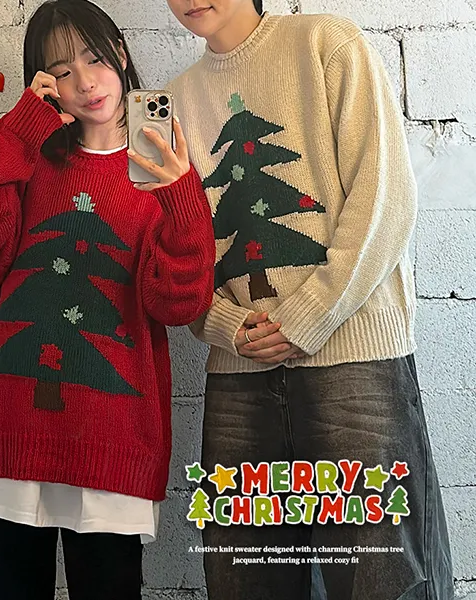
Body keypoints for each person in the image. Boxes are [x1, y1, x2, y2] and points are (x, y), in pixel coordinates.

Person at [166, 0, 454, 598]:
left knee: (380, 577)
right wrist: (223, 325)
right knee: (244, 579)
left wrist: (307, 315)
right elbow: (174, 244)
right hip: (239, 371)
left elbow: (385, 197)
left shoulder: (326, 44)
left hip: (353, 360)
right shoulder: (177, 100)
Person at [0, 1, 215, 599]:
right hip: (9, 427)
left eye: (94, 59)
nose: (86, 82)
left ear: (121, 54)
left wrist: (182, 194)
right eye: (63, 70)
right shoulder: (31, 160)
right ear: (43, 83)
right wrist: (20, 130)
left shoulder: (160, 170)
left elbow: (180, 303)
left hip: (110, 437)